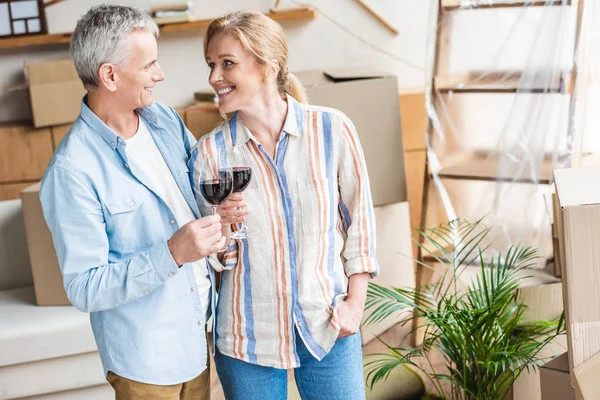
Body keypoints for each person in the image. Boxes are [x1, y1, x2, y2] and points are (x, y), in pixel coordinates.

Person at [39, 5, 239, 399]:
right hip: (144, 360)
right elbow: (85, 287)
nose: (160, 74)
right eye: (149, 65)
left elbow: (194, 200)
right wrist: (173, 252)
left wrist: (219, 214)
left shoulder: (162, 119)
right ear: (109, 75)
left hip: (197, 334)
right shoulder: (72, 171)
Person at [189, 11, 379, 400]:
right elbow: (215, 260)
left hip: (328, 323)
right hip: (247, 335)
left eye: (227, 64)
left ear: (267, 66)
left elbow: (360, 222)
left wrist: (355, 306)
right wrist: (222, 229)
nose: (214, 78)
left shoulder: (332, 130)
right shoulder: (211, 152)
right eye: (211, 65)